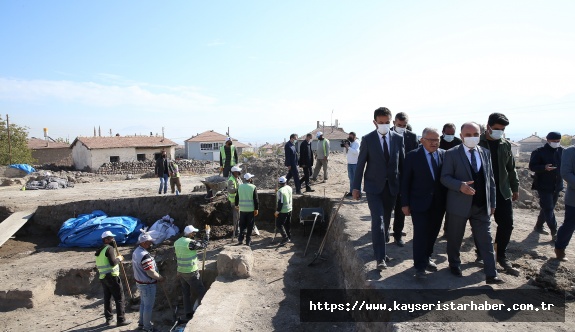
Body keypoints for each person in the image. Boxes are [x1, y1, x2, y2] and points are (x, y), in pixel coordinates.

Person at [440, 122, 504, 284]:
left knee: (486, 239)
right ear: (461, 136)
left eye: (475, 134)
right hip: (459, 205)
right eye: (468, 135)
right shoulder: (451, 154)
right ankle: (454, 264)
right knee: (455, 237)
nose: (472, 137)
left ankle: (491, 273)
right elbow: (445, 177)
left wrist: (492, 202)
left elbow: (490, 179)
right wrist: (460, 186)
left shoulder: (485, 153)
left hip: (481, 205)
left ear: (480, 134)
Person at [353, 107, 405, 271]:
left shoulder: (397, 139)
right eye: (381, 122)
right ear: (375, 122)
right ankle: (380, 258)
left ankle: (382, 252)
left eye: (387, 122)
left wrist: (404, 187)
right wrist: (355, 187)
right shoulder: (368, 139)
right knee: (379, 221)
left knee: (387, 221)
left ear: (391, 122)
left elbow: (402, 164)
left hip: (392, 188)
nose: (384, 125)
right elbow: (360, 164)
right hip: (373, 188)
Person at [401, 128, 447, 279]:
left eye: (437, 140)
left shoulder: (444, 155)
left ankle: (427, 257)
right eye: (431, 140)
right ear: (422, 140)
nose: (434, 143)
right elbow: (405, 182)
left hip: (438, 203)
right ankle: (419, 267)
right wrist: (405, 203)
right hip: (419, 202)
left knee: (433, 232)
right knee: (420, 234)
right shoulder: (412, 156)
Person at [478, 113, 520, 276]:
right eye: (497, 129)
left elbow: (511, 168)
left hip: (502, 191)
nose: (500, 132)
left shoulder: (505, 145)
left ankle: (500, 255)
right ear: (488, 126)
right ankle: (481, 254)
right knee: (481, 225)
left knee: (507, 224)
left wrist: (514, 187)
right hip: (482, 191)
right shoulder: (477, 142)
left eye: (502, 130)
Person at [530, 132, 564, 239]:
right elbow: (532, 166)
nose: (556, 143)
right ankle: (555, 232)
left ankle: (538, 226)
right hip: (543, 185)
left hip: (557, 185)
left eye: (558, 141)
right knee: (549, 208)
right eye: (554, 141)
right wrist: (544, 167)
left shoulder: (562, 151)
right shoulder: (539, 152)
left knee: (548, 207)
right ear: (548, 140)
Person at [392, 112, 418, 246]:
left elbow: (415, 155)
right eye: (399, 125)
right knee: (385, 209)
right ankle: (383, 233)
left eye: (404, 125)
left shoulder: (412, 137)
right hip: (389, 178)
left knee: (400, 207)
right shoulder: (386, 134)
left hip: (406, 177)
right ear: (394, 123)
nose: (402, 127)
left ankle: (397, 235)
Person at [174, 225, 210, 322]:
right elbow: (204, 245)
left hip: (181, 271)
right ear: (190, 234)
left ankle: (188, 313)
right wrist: (207, 234)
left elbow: (177, 256)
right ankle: (205, 312)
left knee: (186, 293)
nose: (195, 234)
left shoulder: (177, 242)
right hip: (190, 272)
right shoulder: (189, 243)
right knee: (201, 291)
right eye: (193, 233)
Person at [132, 230, 165, 332]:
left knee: (143, 304)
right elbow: (150, 272)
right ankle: (147, 328)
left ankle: (142, 323)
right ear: (143, 243)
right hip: (147, 284)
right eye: (149, 242)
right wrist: (159, 277)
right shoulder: (144, 255)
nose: (151, 244)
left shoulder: (136, 251)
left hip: (140, 283)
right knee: (148, 307)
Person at [95, 231, 130, 326]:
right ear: (106, 240)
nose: (113, 239)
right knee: (119, 298)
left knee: (107, 298)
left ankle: (109, 319)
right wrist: (119, 259)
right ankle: (121, 320)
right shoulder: (109, 248)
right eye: (111, 238)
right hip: (112, 277)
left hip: (103, 277)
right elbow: (112, 263)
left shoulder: (100, 250)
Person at [555, 145, 575, 260]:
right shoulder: (570, 152)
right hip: (573, 197)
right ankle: (560, 247)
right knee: (570, 224)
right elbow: (566, 173)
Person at [235, 173, 259, 246]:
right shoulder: (253, 187)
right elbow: (256, 199)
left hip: (242, 209)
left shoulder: (240, 186)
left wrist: (236, 205)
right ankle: (248, 241)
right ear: (250, 179)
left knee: (242, 225)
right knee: (250, 225)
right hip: (250, 210)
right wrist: (256, 209)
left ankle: (240, 239)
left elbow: (237, 197)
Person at [274, 176, 293, 245]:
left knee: (279, 224)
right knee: (287, 224)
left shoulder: (280, 191)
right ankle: (289, 236)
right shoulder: (289, 188)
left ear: (279, 183)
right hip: (289, 209)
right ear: (286, 182)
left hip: (283, 211)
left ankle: (285, 238)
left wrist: (277, 211)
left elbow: (280, 202)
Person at [227, 165, 243, 237]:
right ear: (234, 172)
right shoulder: (231, 180)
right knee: (236, 216)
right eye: (238, 171)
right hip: (234, 201)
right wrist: (239, 189)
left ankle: (240, 229)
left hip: (240, 200)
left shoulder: (238, 178)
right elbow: (230, 190)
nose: (239, 172)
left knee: (240, 216)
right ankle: (236, 231)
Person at [345, 132, 360, 197]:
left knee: (356, 179)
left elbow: (356, 152)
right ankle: (351, 192)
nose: (349, 138)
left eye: (351, 137)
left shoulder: (357, 143)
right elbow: (345, 153)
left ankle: (358, 193)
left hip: (355, 164)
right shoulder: (350, 143)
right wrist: (346, 147)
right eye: (349, 136)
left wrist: (349, 147)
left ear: (354, 136)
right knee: (351, 179)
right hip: (350, 164)